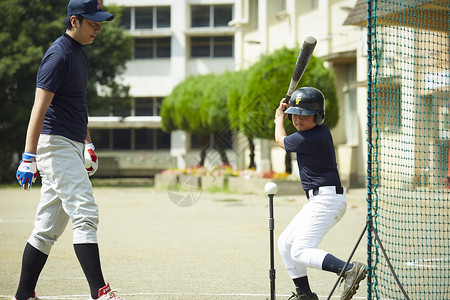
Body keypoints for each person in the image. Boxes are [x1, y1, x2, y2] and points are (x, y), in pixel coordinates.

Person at [14, 1, 123, 299]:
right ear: (74, 21)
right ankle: (100, 291)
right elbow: (40, 107)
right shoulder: (58, 54)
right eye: (93, 22)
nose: (98, 27)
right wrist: (28, 155)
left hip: (71, 143)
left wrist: (87, 142)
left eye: (100, 21)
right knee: (85, 212)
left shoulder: (79, 53)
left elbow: (77, 104)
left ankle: (23, 295)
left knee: (47, 228)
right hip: (56, 144)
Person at [274, 87, 366, 300]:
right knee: (285, 243)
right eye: (294, 114)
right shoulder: (313, 133)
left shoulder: (310, 138)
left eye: (304, 115)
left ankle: (348, 269)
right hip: (320, 199)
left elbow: (281, 141)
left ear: (318, 116)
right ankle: (305, 295)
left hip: (326, 200)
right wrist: (287, 113)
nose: (298, 119)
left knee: (299, 250)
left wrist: (279, 119)